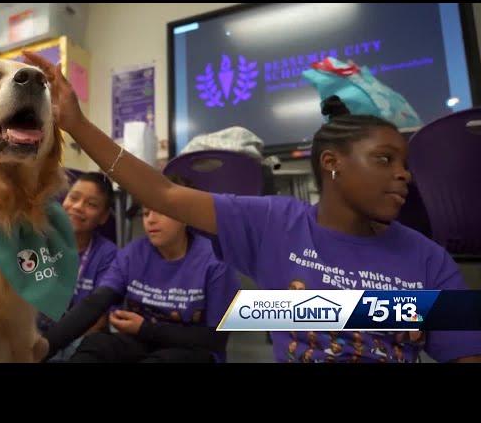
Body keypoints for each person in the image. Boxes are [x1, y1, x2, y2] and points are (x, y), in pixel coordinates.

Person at [24, 51, 481, 364]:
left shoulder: (428, 260)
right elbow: (163, 194)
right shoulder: (275, 223)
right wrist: (78, 126)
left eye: (404, 162)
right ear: (332, 164)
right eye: (385, 159)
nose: (405, 174)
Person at [42, 175, 240, 363]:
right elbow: (94, 304)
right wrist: (43, 349)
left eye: (161, 210)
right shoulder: (132, 254)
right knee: (97, 345)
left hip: (191, 350)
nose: (150, 220)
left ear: (185, 215)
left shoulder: (216, 263)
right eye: (146, 213)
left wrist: (145, 328)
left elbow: (215, 339)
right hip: (142, 342)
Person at [37, 172, 117, 360]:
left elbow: (99, 320)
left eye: (91, 204)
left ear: (104, 216)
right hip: (33, 331)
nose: (78, 207)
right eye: (73, 198)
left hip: (78, 337)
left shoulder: (108, 255)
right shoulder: (39, 240)